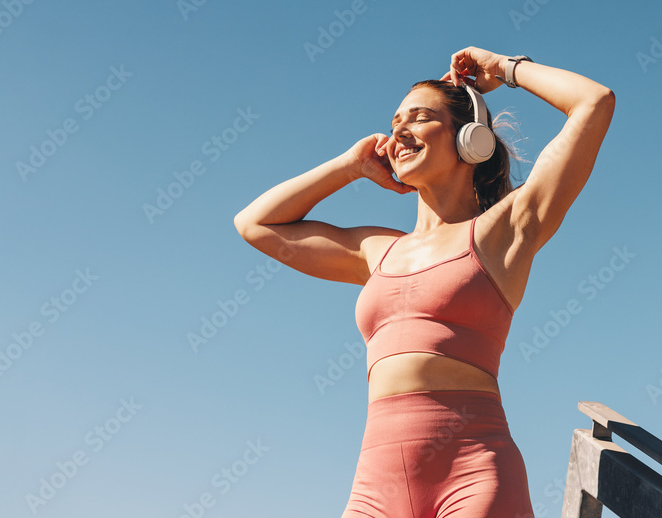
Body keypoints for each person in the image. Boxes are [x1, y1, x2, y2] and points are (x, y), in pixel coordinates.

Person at [233, 46, 614, 517]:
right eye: (395, 124)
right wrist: (350, 166)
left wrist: (504, 68)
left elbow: (594, 103)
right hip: (375, 485)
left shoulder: (502, 231)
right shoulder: (376, 250)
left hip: (474, 474)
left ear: (469, 139)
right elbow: (256, 225)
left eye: (418, 117)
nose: (399, 132)